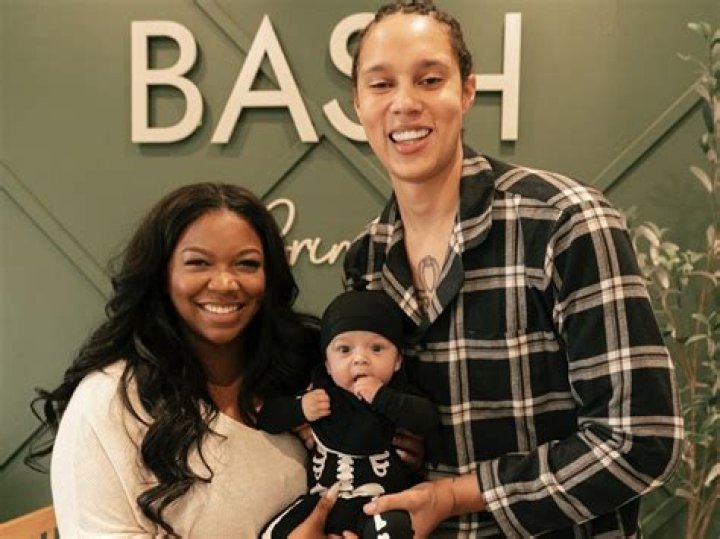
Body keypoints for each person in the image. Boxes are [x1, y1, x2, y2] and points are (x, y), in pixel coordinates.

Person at [342, 1, 684, 537]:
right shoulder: (365, 258)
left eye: (429, 80)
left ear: (467, 91)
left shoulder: (565, 222)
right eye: (381, 85)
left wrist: (455, 495)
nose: (404, 103)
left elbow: (640, 439)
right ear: (358, 104)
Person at [26, 183, 344, 537]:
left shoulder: (302, 376)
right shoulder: (109, 402)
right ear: (163, 275)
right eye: (198, 263)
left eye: (247, 264)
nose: (225, 283)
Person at [258, 289, 440, 538]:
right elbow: (267, 417)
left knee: (395, 528)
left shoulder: (399, 397)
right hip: (322, 499)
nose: (360, 359)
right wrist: (300, 408)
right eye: (344, 350)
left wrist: (383, 398)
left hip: (377, 504)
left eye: (376, 348)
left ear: (398, 361)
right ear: (327, 364)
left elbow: (427, 419)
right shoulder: (319, 393)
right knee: (273, 533)